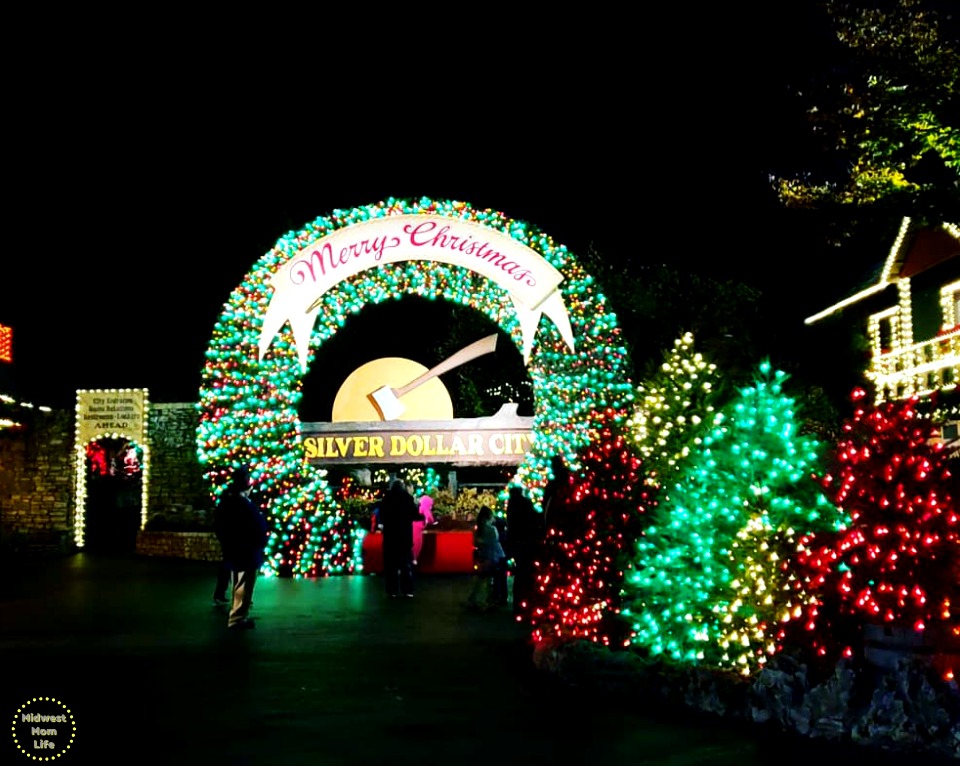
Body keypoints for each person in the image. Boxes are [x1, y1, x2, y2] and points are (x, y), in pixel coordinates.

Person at [215, 466, 269, 630]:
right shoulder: (242, 504)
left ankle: (238, 616)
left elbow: (219, 525)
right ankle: (237, 618)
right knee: (243, 584)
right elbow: (254, 526)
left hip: (239, 549)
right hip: (246, 551)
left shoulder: (227, 502)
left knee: (239, 583)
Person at [379, 480, 424, 597]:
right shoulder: (407, 498)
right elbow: (415, 515)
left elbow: (382, 516)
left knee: (391, 566)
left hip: (390, 537)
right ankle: (407, 590)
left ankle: (392, 591)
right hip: (404, 537)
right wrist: (422, 516)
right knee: (405, 565)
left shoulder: (386, 499)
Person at [505, 485, 544, 617]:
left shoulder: (511, 506)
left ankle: (518, 605)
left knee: (520, 574)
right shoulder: (524, 503)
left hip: (516, 544)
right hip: (527, 543)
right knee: (527, 574)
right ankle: (526, 604)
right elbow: (534, 519)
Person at [466, 505, 505, 612]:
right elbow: (495, 543)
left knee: (482, 579)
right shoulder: (492, 529)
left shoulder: (478, 529)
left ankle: (477, 600)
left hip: (482, 556)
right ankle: (481, 601)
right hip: (491, 557)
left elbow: (476, 543)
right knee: (486, 580)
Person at [412, 493, 435, 566]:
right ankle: (414, 558)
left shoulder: (419, 508)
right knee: (417, 543)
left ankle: (413, 558)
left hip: (413, 527)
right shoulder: (426, 509)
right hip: (417, 529)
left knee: (414, 543)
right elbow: (430, 519)